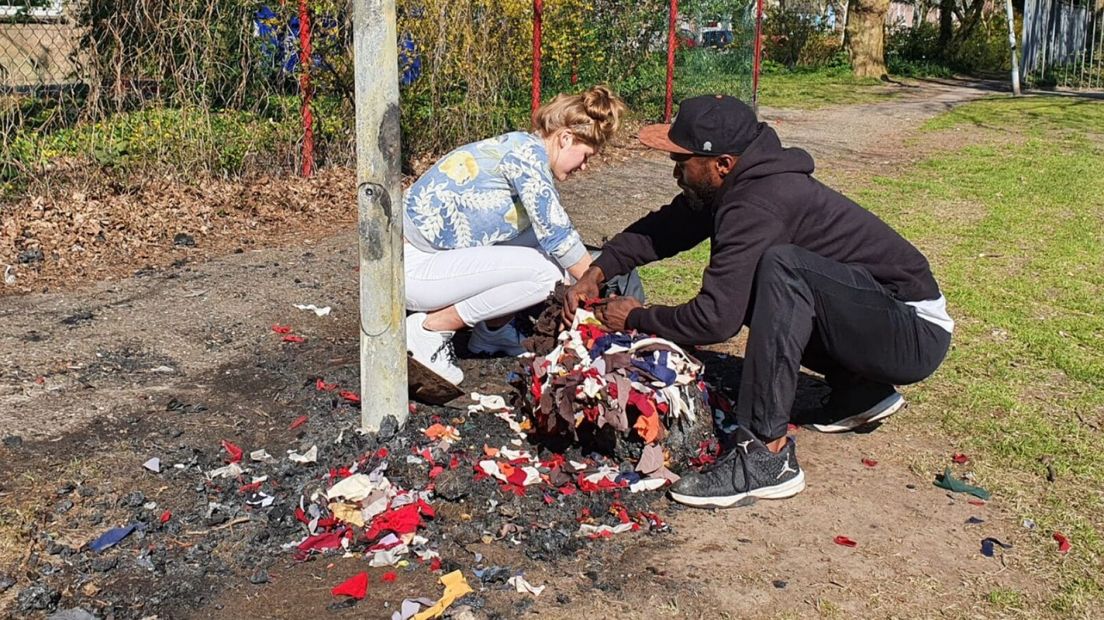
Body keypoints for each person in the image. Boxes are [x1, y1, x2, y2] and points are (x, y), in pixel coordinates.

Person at [564, 95, 953, 508]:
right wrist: (599, 271)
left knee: (782, 269)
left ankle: (766, 458)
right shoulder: (736, 182)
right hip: (880, 323)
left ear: (723, 164)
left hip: (912, 333)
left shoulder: (758, 201)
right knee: (765, 277)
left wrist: (638, 316)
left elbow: (716, 319)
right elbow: (667, 227)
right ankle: (861, 391)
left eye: (682, 160)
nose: (675, 171)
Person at [404, 85, 626, 386]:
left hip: (425, 256)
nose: (584, 166)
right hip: (406, 268)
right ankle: (431, 328)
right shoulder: (526, 157)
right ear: (565, 138)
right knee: (547, 274)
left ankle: (491, 333)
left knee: (541, 247)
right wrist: (600, 290)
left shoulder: (523, 148)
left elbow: (551, 236)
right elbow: (559, 235)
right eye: (585, 155)